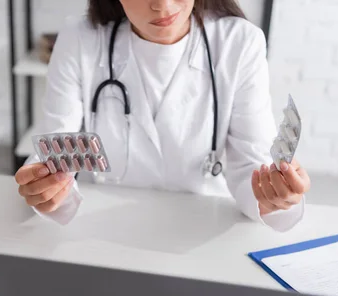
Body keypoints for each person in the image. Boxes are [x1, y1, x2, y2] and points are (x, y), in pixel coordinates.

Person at [15, 0, 311, 231]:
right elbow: (54, 149)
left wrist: (273, 196)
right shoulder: (79, 39)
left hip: (199, 230)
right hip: (101, 229)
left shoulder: (240, 43)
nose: (162, 6)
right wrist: (49, 189)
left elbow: (252, 164)